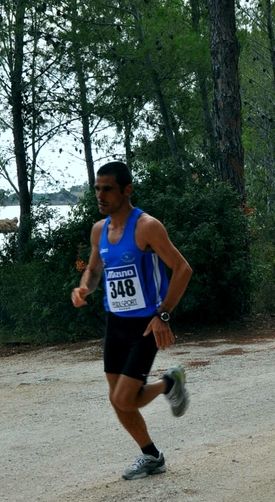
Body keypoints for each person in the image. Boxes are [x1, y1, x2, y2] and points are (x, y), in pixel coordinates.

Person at [71, 161, 193, 480]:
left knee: (123, 397)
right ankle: (151, 456)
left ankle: (169, 383)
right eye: (97, 188)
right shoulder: (100, 230)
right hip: (116, 323)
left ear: (127, 190)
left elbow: (183, 269)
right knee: (119, 401)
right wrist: (85, 287)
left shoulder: (147, 227)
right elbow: (96, 269)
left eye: (107, 188)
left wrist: (163, 314)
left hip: (146, 324)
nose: (100, 194)